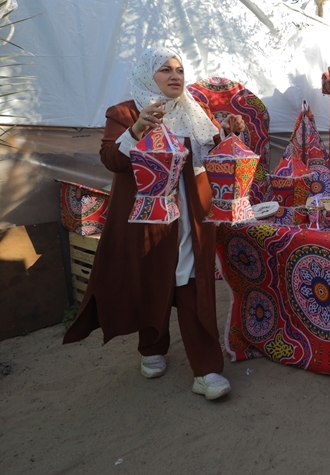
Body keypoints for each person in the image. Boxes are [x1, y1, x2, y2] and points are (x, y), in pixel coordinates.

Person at [63, 46, 246, 400]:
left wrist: (228, 134)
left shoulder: (197, 111)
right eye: (165, 70)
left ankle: (206, 369)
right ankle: (152, 346)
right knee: (152, 278)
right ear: (148, 75)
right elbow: (112, 160)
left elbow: (214, 156)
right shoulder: (125, 112)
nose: (175, 76)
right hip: (146, 220)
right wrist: (135, 130)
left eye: (179, 69)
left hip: (192, 217)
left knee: (193, 285)